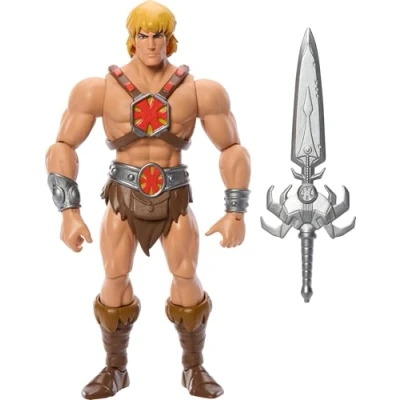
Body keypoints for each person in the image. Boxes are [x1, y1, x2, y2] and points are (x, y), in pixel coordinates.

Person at [46, 1, 251, 398]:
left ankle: (193, 367)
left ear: (170, 39)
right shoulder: (98, 90)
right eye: (144, 35)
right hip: (122, 197)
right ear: (132, 39)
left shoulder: (200, 91)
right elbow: (62, 147)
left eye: (159, 35)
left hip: (174, 197)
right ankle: (115, 368)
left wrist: (235, 212)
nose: (152, 43)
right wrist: (69, 212)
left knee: (186, 274)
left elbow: (233, 149)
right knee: (114, 275)